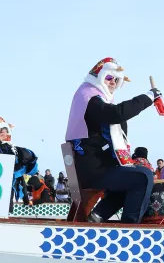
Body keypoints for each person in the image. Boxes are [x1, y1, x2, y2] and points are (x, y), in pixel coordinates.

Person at [64, 57, 159, 224]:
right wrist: (148, 97)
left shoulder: (91, 97)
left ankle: (97, 217)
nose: (113, 83)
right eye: (109, 78)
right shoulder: (89, 97)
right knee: (143, 177)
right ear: (99, 76)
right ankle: (129, 230)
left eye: (117, 79)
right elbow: (117, 113)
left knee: (136, 174)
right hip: (92, 169)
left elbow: (116, 117)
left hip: (95, 165)